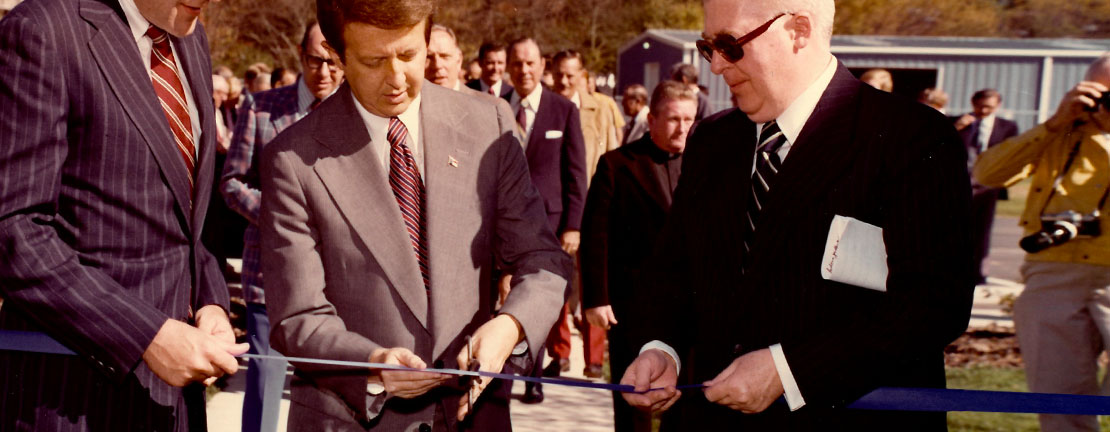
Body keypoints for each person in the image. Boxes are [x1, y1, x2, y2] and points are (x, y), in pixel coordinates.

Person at [620, 0, 974, 429]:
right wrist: (662, 348)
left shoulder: (910, 138)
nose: (715, 66)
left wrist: (789, 370)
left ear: (799, 31)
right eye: (707, 47)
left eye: (730, 45)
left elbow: (935, 305)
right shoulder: (713, 140)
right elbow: (674, 271)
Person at [259, 1, 571, 429]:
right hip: (352, 419)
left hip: (473, 415)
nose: (396, 77)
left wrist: (510, 326)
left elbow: (543, 259)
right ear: (337, 54)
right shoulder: (293, 159)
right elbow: (298, 316)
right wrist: (372, 365)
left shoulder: (488, 124)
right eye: (373, 61)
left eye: (409, 55)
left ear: (428, 40)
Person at [0, 0, 249, 429]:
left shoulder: (190, 37)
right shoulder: (42, 30)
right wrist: (144, 335)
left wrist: (211, 303)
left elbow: (188, 219)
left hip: (174, 406)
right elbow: (14, 232)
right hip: (72, 397)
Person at [974, 56, 1110, 432]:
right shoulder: (1059, 134)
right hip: (1054, 276)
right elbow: (987, 173)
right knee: (1060, 404)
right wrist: (1054, 124)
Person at [222, 21, 343, 432]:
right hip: (267, 276)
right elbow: (232, 183)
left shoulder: (357, 115)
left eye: (333, 62)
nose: (323, 71)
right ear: (299, 54)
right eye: (314, 60)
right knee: (265, 389)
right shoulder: (260, 108)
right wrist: (280, 216)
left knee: (329, 397)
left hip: (337, 281)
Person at [582, 80, 698, 432]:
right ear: (651, 120)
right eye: (674, 119)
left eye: (689, 119)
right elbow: (595, 237)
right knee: (634, 401)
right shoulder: (618, 165)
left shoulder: (705, 165)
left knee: (685, 399)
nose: (682, 128)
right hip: (632, 305)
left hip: (691, 304)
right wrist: (597, 299)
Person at [505, 37, 589, 403]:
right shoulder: (495, 107)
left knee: (536, 298)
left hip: (549, 224)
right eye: (517, 64)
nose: (524, 70)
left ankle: (533, 378)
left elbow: (576, 173)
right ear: (509, 68)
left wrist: (573, 225)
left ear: (542, 66)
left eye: (530, 63)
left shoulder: (563, 109)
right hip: (501, 224)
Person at [549, 49, 621, 379]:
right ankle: (560, 352)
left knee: (594, 284)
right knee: (555, 286)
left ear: (582, 74)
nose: (564, 81)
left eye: (571, 74)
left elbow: (614, 153)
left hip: (596, 208)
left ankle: (594, 360)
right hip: (555, 209)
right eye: (559, 74)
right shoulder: (547, 107)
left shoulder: (602, 108)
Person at [953, 89, 1019, 285]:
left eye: (988, 107)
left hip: (988, 186)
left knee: (982, 231)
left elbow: (1011, 154)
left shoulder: (1007, 127)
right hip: (959, 185)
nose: (983, 110)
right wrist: (956, 127)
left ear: (998, 106)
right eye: (979, 106)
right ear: (972, 103)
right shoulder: (958, 121)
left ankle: (979, 274)